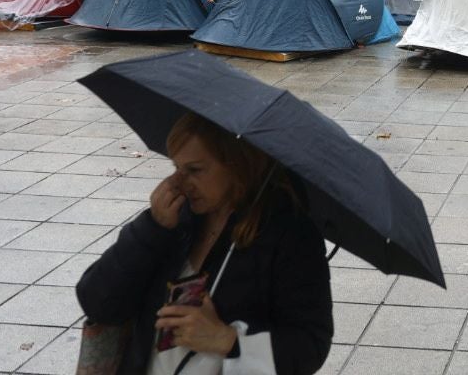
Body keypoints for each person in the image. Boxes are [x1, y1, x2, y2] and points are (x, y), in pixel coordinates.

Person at [77, 112, 334, 374]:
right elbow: (97, 303)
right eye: (176, 167)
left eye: (194, 170)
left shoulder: (289, 233)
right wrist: (151, 229)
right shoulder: (176, 220)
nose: (178, 183)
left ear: (236, 165)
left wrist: (226, 340)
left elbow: (310, 346)